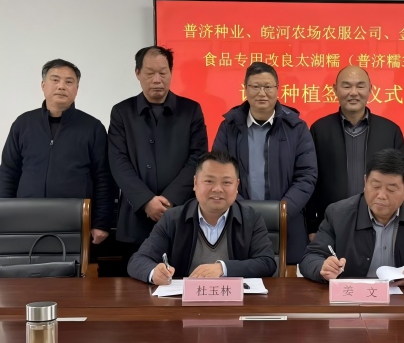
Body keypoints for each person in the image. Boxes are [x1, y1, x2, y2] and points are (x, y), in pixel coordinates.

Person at [212, 61, 317, 264]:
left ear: (277, 89)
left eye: (268, 87)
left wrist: (282, 212)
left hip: (287, 223)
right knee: (241, 272)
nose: (262, 93)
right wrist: (241, 211)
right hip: (239, 222)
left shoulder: (296, 127)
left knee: (285, 279)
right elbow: (218, 173)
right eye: (255, 86)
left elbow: (307, 176)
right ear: (245, 89)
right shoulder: (229, 127)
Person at [108, 46, 208, 259]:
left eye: (163, 73)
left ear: (171, 72)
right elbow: (118, 161)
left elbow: (198, 159)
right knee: (134, 276)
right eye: (150, 73)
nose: (157, 80)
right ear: (137, 73)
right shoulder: (122, 112)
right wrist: (146, 201)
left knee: (180, 276)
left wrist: (170, 200)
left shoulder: (190, 110)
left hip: (180, 213)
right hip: (135, 216)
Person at [299, 149, 404, 284]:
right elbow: (311, 257)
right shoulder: (338, 214)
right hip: (354, 298)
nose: (381, 195)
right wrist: (323, 267)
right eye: (375, 186)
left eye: (391, 189)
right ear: (365, 182)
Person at [0, 59, 112, 244]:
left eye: (69, 81)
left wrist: (101, 222)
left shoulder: (93, 127)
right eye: (55, 80)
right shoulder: (23, 124)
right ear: (43, 85)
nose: (61, 86)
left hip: (75, 221)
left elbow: (104, 177)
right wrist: (5, 215)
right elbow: (8, 172)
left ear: (77, 89)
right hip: (25, 219)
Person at [127, 151, 276, 284]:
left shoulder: (251, 219)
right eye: (209, 181)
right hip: (184, 301)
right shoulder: (172, 219)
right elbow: (138, 260)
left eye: (226, 182)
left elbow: (267, 263)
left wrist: (223, 268)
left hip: (235, 301)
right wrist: (154, 273)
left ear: (237, 186)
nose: (217, 189)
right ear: (195, 183)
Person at [306, 65, 404, 240]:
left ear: (370, 89)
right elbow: (310, 179)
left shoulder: (390, 131)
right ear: (335, 89)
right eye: (346, 86)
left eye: (360, 86)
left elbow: (401, 181)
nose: (353, 92)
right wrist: (312, 226)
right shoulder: (319, 130)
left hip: (381, 224)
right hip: (331, 225)